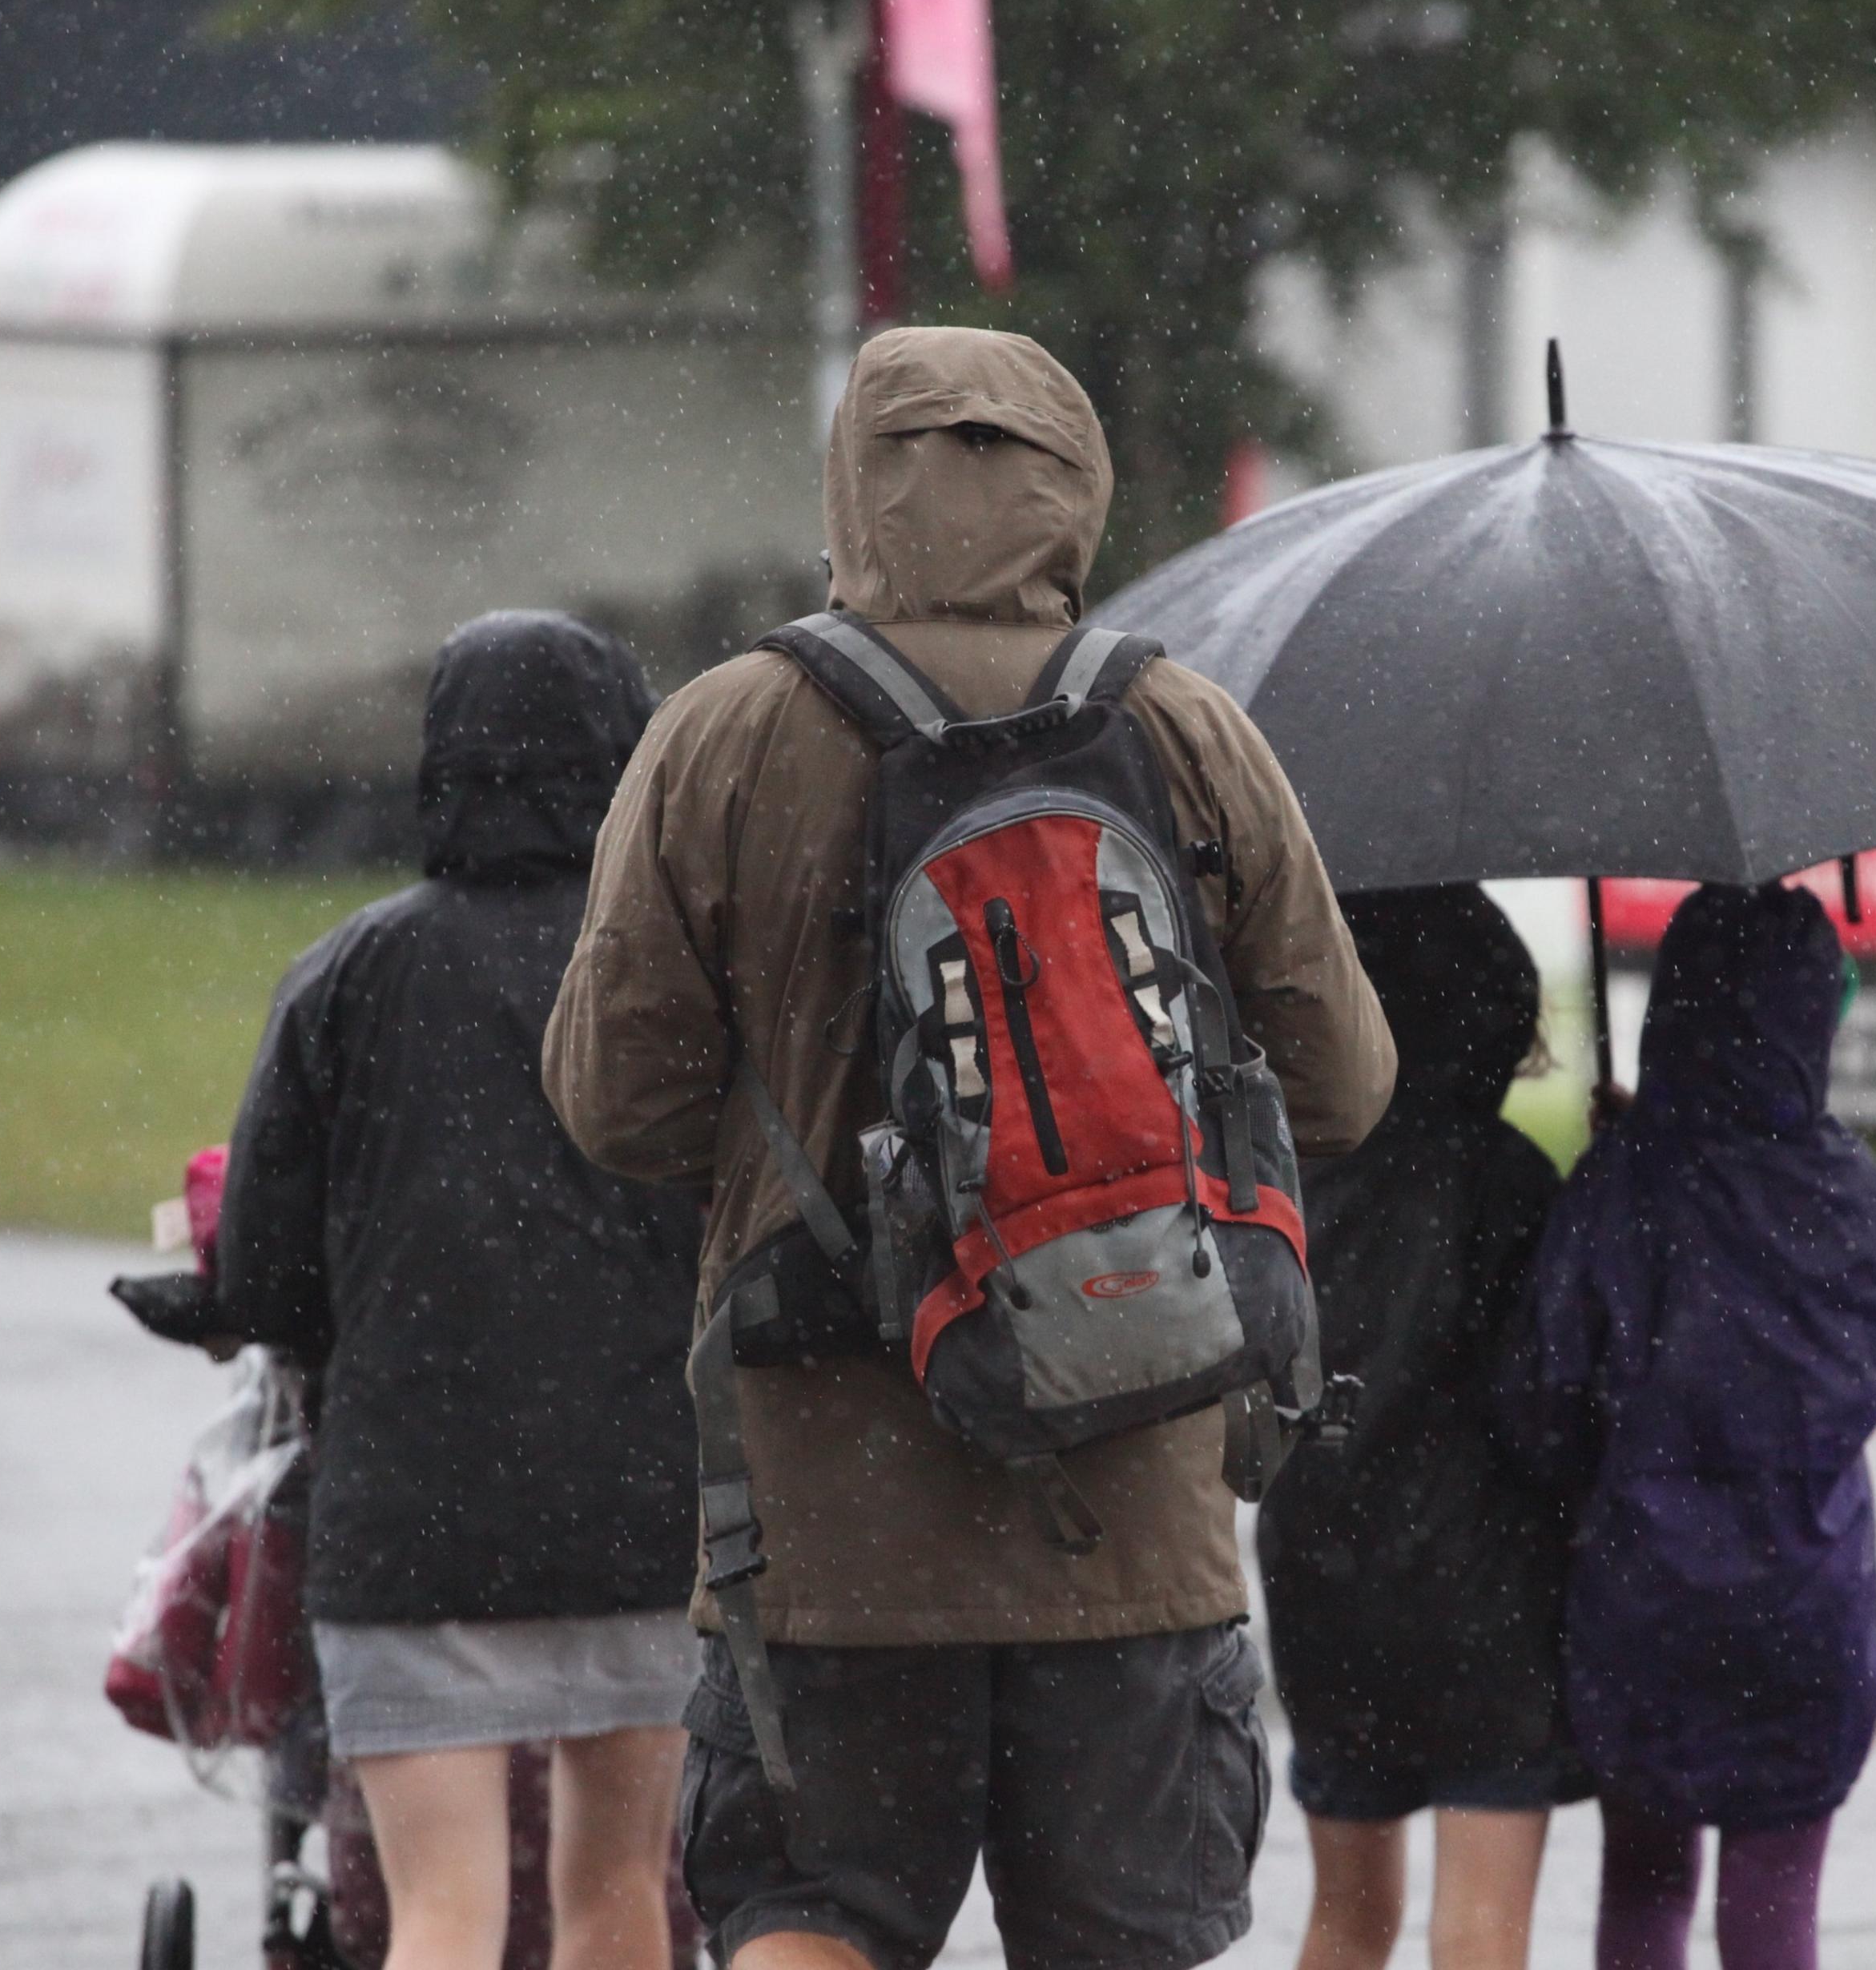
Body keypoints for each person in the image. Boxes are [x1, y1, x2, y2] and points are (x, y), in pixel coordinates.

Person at [541, 324, 1395, 1970]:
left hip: (824, 1520)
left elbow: (613, 1102)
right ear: (1077, 485)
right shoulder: (1189, 728)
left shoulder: (725, 733)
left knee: (812, 1910)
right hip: (1134, 1492)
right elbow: (1346, 1080)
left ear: (853, 487)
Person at [215, 613, 705, 1970]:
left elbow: (261, 1272)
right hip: (645, 1511)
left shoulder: (350, 976)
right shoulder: (675, 976)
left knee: (440, 1911)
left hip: (413, 1523)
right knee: (619, 1886)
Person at [1494, 884, 1876, 1970]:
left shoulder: (1627, 1183)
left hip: (1646, 1605)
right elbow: (1858, 1384)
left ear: (1674, 1005)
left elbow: (1542, 1399)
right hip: (1809, 1604)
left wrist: (1623, 1176)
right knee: (1777, 1913)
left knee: (1646, 1885)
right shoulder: (1848, 1188)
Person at [1256, 886, 1588, 1970]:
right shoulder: (1512, 1186)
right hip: (1485, 1594)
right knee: (1482, 1928)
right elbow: (1556, 1398)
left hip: (1325, 1576)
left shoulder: (1294, 1189)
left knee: (1347, 1917)